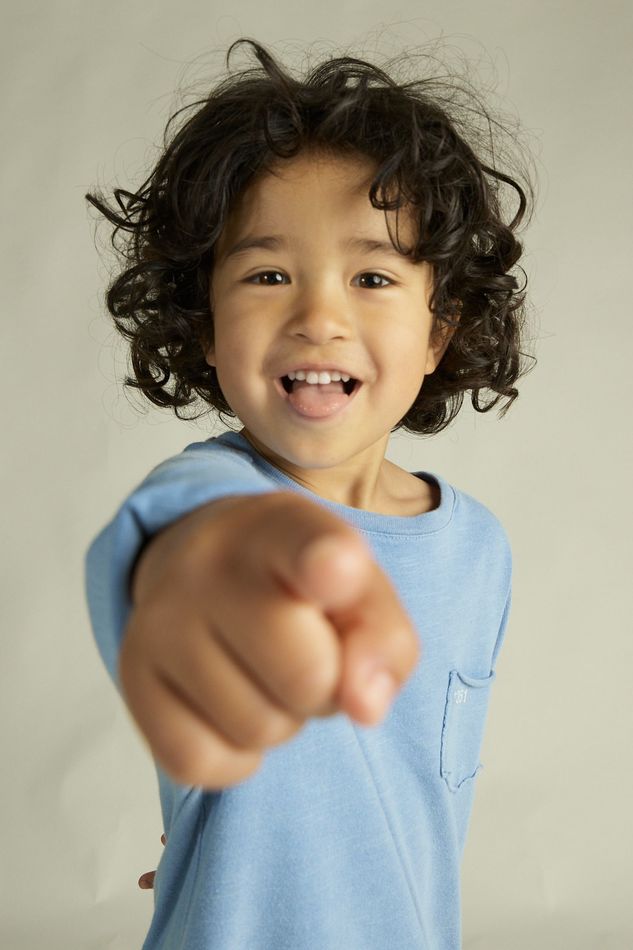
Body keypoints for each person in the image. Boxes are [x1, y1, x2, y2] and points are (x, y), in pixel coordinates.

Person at [84, 36, 535, 949]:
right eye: (267, 275)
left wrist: (239, 842)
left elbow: (394, 797)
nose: (318, 317)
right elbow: (164, 542)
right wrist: (196, 564)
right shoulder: (210, 498)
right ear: (204, 324)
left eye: (371, 277)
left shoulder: (480, 550)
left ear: (439, 331)